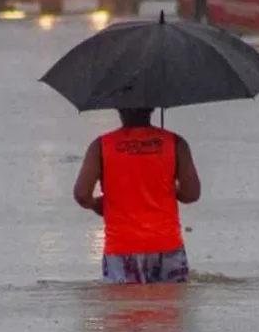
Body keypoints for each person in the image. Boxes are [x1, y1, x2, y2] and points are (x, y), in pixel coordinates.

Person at [73, 108, 201, 284]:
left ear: (118, 108)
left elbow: (82, 194)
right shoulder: (176, 142)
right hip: (167, 244)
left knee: (124, 308)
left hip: (122, 246)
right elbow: (192, 194)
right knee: (170, 308)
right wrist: (166, 188)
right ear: (153, 107)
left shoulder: (101, 145)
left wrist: (99, 205)